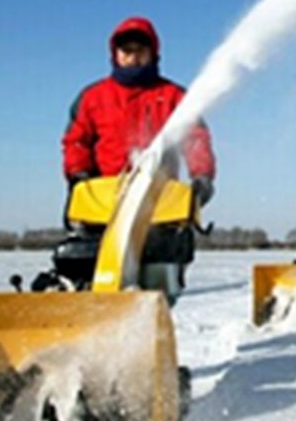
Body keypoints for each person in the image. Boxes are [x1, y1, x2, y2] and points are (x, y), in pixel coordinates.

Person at [60, 16, 216, 300]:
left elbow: (196, 138)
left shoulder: (173, 97)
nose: (133, 58)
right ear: (115, 55)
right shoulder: (93, 97)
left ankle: (151, 324)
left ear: (153, 53)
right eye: (126, 51)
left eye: (140, 51)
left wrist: (202, 176)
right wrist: (78, 174)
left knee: (158, 283)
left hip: (158, 203)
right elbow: (76, 141)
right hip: (103, 200)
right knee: (89, 277)